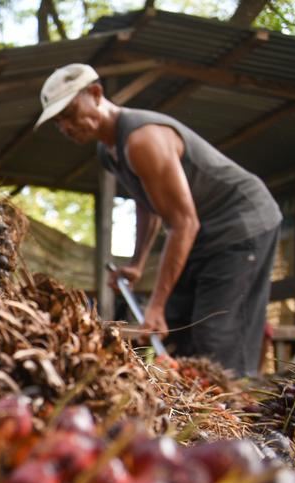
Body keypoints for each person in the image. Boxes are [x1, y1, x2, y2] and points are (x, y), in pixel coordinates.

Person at [33, 63, 282, 377]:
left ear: (96, 94)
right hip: (202, 233)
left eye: (69, 114)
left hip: (242, 222)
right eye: (59, 123)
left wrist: (156, 304)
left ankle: (234, 415)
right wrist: (137, 264)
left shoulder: (142, 139)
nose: (66, 127)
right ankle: (194, 414)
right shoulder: (108, 151)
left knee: (215, 336)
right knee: (178, 330)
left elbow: (184, 223)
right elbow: (147, 204)